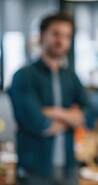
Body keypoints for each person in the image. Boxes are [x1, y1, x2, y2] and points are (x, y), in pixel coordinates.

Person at [8, 12, 92, 185]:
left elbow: (89, 117)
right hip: (35, 170)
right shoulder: (23, 76)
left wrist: (53, 111)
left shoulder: (71, 77)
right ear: (41, 35)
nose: (61, 40)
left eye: (67, 36)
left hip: (69, 168)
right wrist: (72, 118)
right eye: (55, 34)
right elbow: (38, 123)